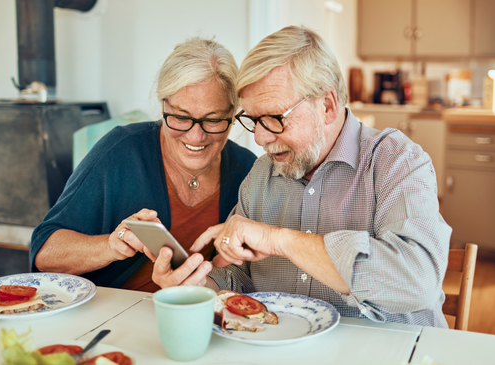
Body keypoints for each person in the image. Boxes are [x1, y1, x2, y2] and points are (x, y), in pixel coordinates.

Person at [153, 26, 452, 327]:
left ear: (327, 106)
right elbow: (238, 278)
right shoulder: (261, 176)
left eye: (274, 118)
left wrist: (279, 240)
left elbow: (419, 280)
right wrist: (195, 288)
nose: (259, 138)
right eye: (254, 120)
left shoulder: (397, 161)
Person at [29, 37, 257, 291]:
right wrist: (110, 246)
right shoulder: (121, 150)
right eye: (181, 117)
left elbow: (250, 275)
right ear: (163, 107)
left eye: (213, 120)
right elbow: (44, 252)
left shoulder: (248, 170)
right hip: (114, 316)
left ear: (233, 115)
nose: (195, 136)